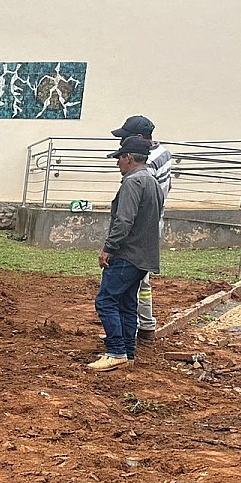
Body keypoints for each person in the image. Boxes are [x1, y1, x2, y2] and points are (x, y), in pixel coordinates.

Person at [90, 135, 162, 372]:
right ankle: (128, 352)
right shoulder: (152, 181)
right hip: (144, 256)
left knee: (106, 300)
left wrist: (108, 248)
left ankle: (115, 351)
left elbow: (124, 220)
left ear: (129, 157)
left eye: (119, 158)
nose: (117, 163)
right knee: (127, 302)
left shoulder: (133, 182)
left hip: (127, 254)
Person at [110, 115, 172, 341]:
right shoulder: (164, 153)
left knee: (128, 280)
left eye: (125, 138)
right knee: (141, 280)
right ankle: (144, 324)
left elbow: (137, 200)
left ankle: (127, 332)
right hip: (154, 220)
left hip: (142, 223)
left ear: (137, 139)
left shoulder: (145, 163)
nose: (121, 144)